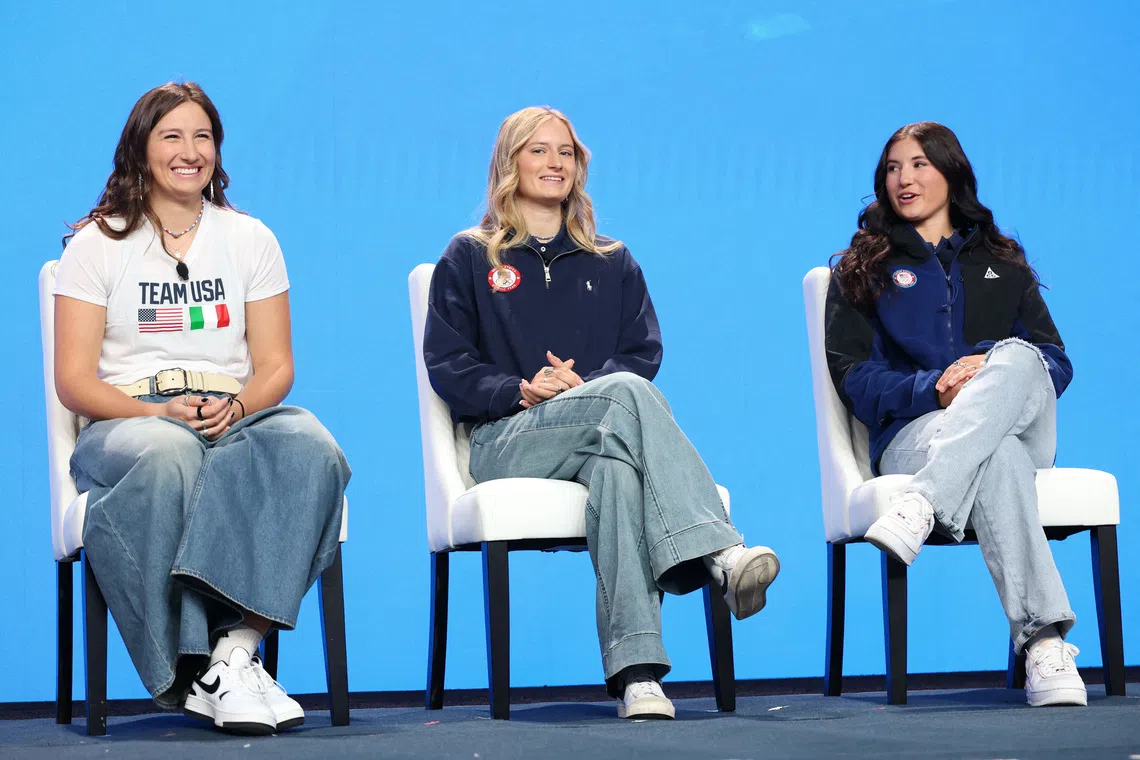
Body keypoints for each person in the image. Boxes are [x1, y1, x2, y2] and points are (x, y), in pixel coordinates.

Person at [423, 106, 780, 720]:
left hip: (599, 432)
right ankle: (717, 552)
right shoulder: (469, 255)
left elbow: (642, 353)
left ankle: (638, 676)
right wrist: (521, 390)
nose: (554, 162)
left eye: (565, 152)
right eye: (538, 150)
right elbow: (448, 364)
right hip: (506, 438)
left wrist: (580, 386)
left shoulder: (611, 259)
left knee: (617, 467)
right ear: (510, 162)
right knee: (626, 398)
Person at [55, 82, 351, 735]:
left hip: (228, 411)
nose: (190, 151)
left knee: (312, 445)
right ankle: (192, 669)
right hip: (127, 418)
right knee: (171, 450)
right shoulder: (98, 244)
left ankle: (234, 653)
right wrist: (155, 414)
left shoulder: (249, 238)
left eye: (203, 137)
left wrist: (239, 404)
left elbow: (276, 366)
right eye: (172, 136)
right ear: (141, 147)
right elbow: (74, 381)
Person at [825, 121, 1085, 707]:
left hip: (1010, 421)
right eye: (893, 167)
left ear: (951, 172)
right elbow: (853, 378)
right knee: (998, 455)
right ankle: (1044, 643)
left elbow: (1056, 363)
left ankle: (923, 502)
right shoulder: (862, 269)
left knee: (1018, 357)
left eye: (919, 164)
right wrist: (933, 389)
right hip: (919, 431)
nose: (904, 178)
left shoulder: (1005, 262)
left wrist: (986, 370)